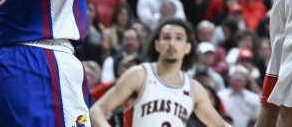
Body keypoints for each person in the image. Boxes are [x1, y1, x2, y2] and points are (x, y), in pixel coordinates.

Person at [89, 18, 228, 127]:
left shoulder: (194, 89)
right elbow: (96, 111)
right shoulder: (139, 75)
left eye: (178, 38)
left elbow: (221, 125)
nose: (172, 43)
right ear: (157, 44)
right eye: (167, 37)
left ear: (187, 47)